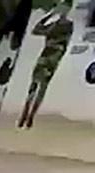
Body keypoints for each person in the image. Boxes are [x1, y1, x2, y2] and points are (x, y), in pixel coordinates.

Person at [18, 1, 74, 129]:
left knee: (41, 87)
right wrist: (50, 15)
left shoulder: (67, 25)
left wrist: (51, 17)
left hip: (52, 58)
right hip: (46, 56)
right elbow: (36, 30)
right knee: (34, 86)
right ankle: (25, 114)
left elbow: (44, 31)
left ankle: (30, 115)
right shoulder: (57, 24)